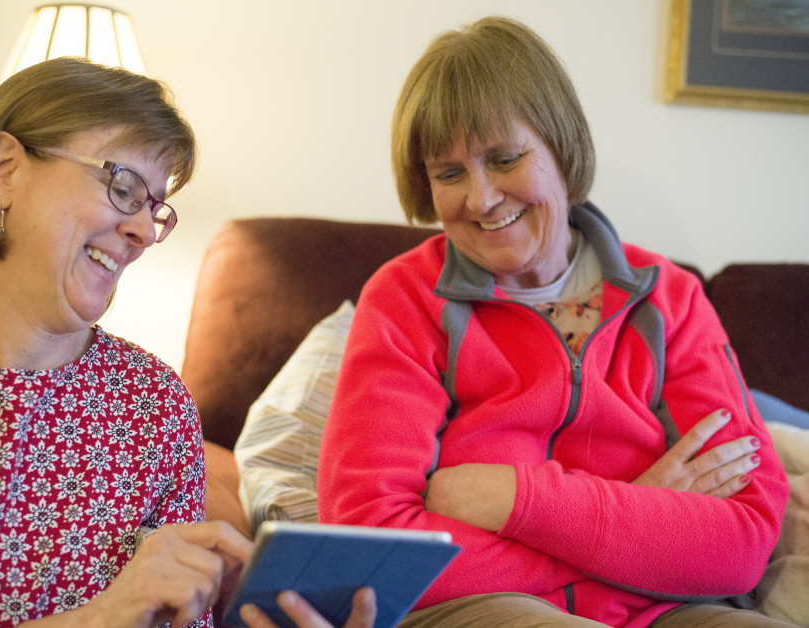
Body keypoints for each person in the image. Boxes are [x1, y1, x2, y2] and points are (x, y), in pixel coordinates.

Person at [317, 16, 792, 627]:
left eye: (505, 158)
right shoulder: (406, 299)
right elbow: (372, 545)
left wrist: (511, 498)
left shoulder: (670, 299)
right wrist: (640, 525)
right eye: (449, 173)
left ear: (561, 146)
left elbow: (744, 541)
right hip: (481, 604)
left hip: (665, 609)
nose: (481, 198)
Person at [0, 57, 376, 628]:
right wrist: (102, 616)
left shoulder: (154, 404)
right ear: (4, 169)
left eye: (155, 208)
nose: (141, 232)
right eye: (122, 186)